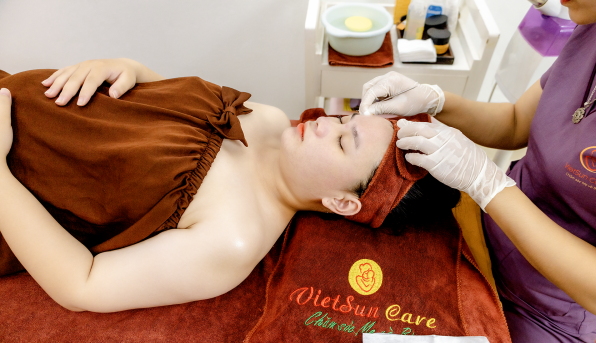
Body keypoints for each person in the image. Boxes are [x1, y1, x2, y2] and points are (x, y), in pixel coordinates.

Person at [358, 1, 596, 343]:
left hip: (548, 309)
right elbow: (514, 122)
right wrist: (436, 99)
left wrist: (486, 182)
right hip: (478, 230)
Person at [0, 58, 404, 314]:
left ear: (341, 202)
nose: (324, 123)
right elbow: (169, 107)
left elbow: (82, 285)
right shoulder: (270, 119)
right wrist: (127, 69)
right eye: (345, 118)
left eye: (342, 142)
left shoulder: (233, 239)